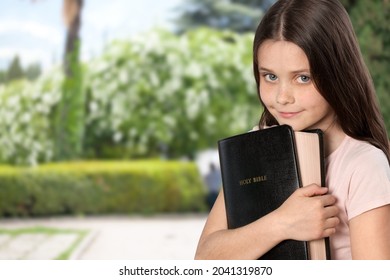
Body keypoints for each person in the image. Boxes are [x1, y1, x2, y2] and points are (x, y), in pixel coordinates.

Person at [195, 0, 390, 260]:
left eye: (303, 78)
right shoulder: (255, 147)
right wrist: (283, 223)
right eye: (270, 77)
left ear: (337, 75)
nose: (282, 97)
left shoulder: (363, 166)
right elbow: (204, 259)